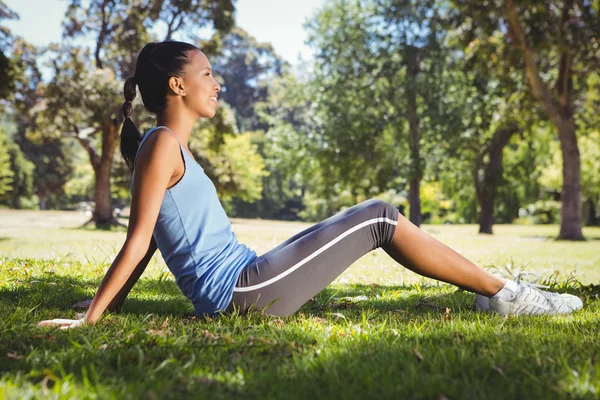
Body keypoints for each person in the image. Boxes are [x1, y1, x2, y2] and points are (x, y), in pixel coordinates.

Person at [38, 41, 582, 329]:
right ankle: (506, 296)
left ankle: (497, 293)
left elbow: (152, 239)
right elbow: (137, 240)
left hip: (245, 279)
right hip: (240, 294)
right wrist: (91, 317)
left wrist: (103, 305)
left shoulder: (171, 149)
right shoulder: (160, 144)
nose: (217, 84)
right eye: (207, 75)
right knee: (378, 216)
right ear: (177, 85)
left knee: (368, 216)